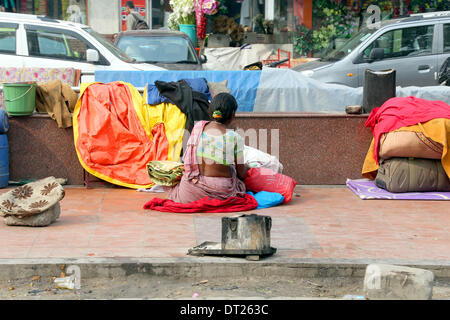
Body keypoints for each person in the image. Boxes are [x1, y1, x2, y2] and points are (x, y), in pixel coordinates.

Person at [166, 93, 249, 204]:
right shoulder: (235, 137)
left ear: (211, 111)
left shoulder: (198, 127)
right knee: (237, 178)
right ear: (233, 114)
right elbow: (241, 174)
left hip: (191, 191)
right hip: (220, 191)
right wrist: (247, 167)